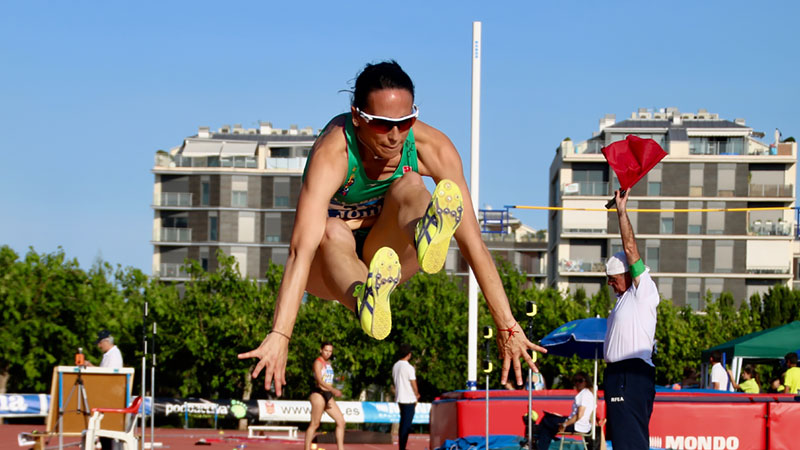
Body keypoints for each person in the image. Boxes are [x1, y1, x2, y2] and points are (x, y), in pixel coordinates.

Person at [239, 60, 545, 395]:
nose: (396, 136)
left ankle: (425, 231)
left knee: (411, 184)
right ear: (357, 118)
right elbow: (301, 250)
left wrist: (508, 325)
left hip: (388, 254)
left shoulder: (433, 148)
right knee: (331, 230)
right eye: (383, 125)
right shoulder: (334, 153)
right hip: (327, 267)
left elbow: (474, 244)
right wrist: (280, 334)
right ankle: (365, 299)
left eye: (406, 122)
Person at [603, 189, 660, 450]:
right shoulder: (623, 300)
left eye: (613, 279)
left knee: (631, 443)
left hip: (631, 373)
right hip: (618, 374)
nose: (610, 284)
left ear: (628, 274)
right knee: (623, 442)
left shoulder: (643, 290)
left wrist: (621, 211)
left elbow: (630, 247)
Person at [536, 372, 595, 450]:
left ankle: (537, 439)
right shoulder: (589, 393)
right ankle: (541, 440)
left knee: (546, 421)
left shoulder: (583, 395)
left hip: (577, 425)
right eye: (575, 381)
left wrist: (565, 424)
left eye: (580, 380)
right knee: (547, 427)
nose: (577, 383)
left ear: (586, 381)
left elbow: (579, 415)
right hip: (583, 425)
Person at [304, 342, 345, 450]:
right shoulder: (318, 362)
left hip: (328, 394)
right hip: (318, 393)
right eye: (326, 350)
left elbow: (328, 379)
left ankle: (341, 448)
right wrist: (333, 389)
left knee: (341, 421)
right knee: (315, 424)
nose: (328, 353)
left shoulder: (329, 363)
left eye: (330, 351)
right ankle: (306, 448)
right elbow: (319, 379)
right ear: (321, 350)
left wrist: (332, 389)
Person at [392, 344, 420, 450]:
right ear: (409, 354)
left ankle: (402, 445)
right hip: (409, 398)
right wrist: (417, 394)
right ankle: (402, 446)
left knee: (402, 422)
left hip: (400, 397)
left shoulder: (395, 366)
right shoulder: (409, 367)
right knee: (406, 424)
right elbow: (413, 383)